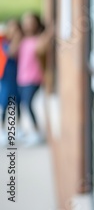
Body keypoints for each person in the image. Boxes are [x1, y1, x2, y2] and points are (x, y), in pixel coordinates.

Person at [17, 12, 53, 146]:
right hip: (22, 78)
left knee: (28, 104)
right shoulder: (22, 39)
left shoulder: (40, 39)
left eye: (30, 22)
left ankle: (37, 132)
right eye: (25, 22)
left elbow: (46, 43)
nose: (27, 25)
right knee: (24, 104)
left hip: (34, 78)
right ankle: (31, 131)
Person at [0, 19, 23, 146]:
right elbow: (10, 53)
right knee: (4, 104)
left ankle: (16, 129)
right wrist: (16, 38)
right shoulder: (4, 42)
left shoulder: (21, 41)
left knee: (16, 103)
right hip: (6, 77)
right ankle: (3, 130)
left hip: (17, 77)